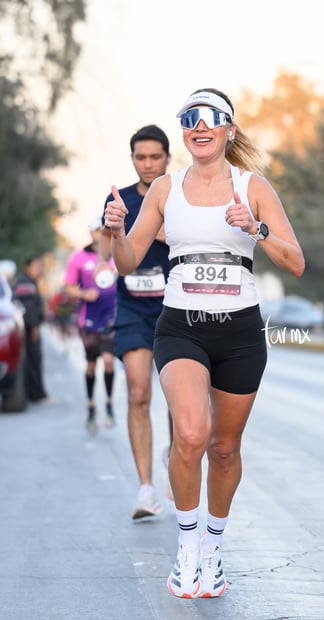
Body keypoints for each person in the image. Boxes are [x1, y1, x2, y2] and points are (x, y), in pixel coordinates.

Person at [104, 88, 305, 598]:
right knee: (191, 433)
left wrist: (255, 228)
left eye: (210, 118)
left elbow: (295, 262)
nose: (199, 125)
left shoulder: (252, 186)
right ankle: (188, 546)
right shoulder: (165, 189)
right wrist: (116, 233)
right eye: (189, 117)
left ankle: (214, 549)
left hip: (238, 332)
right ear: (185, 130)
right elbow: (127, 263)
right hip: (180, 326)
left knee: (224, 446)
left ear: (228, 130)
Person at [98, 125, 173, 519]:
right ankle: (145, 489)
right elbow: (112, 257)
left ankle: (175, 457)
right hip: (133, 311)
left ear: (167, 157)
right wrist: (117, 230)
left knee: (180, 399)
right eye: (140, 157)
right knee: (139, 391)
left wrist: (168, 233)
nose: (148, 164)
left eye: (154, 157)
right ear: (132, 160)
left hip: (177, 310)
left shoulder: (181, 197)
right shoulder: (120, 201)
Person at [64, 217, 117, 434]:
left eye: (103, 230)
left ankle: (109, 404)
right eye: (96, 230)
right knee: (91, 365)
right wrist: (85, 293)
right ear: (91, 233)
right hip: (88, 319)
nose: (99, 233)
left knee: (108, 361)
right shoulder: (79, 257)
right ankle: (90, 406)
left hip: (111, 318)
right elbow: (68, 288)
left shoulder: (116, 256)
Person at [13, 256, 49, 403]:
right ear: (27, 267)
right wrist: (34, 327)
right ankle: (36, 395)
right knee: (33, 359)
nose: (39, 269)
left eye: (40, 266)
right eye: (36, 266)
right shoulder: (25, 284)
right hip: (28, 329)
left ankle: (34, 393)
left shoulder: (31, 282)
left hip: (28, 328)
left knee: (33, 359)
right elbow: (28, 308)